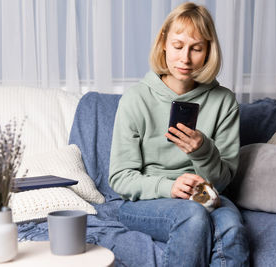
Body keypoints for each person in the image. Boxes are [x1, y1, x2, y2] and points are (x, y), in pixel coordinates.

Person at [108, 2, 249, 266]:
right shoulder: (136, 99)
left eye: (196, 48)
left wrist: (202, 151)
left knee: (231, 226)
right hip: (147, 198)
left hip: (203, 193)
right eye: (178, 45)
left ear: (208, 51)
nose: (185, 58)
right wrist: (168, 187)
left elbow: (223, 181)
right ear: (163, 42)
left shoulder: (223, 101)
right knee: (192, 216)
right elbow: (120, 177)